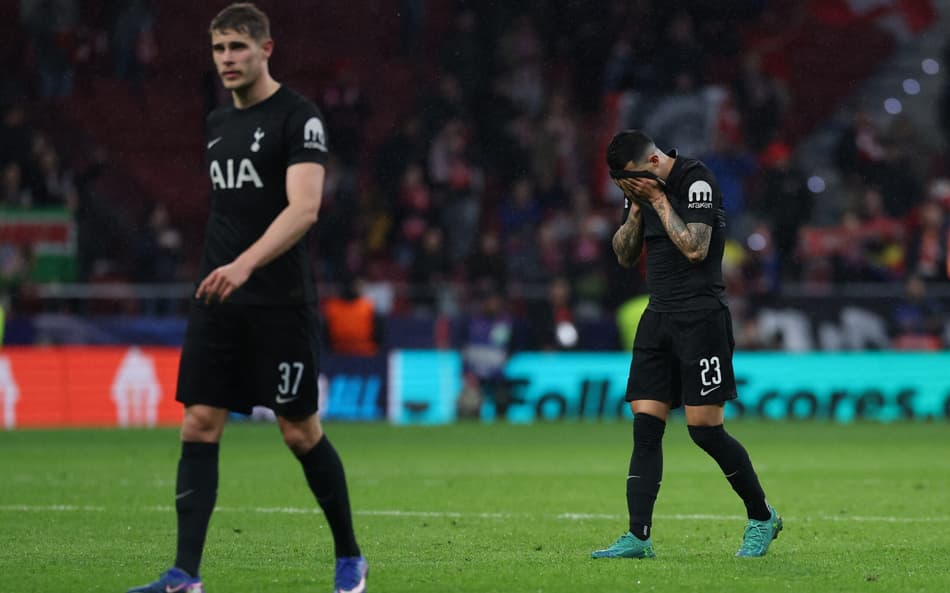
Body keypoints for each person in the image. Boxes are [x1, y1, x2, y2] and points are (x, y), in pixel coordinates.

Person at [127, 5, 367, 593]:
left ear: (266, 49)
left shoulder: (298, 117)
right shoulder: (215, 123)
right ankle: (185, 574)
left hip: (279, 300)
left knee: (298, 430)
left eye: (238, 47)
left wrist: (244, 264)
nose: (227, 59)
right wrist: (224, 269)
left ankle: (350, 558)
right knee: (199, 422)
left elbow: (304, 209)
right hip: (220, 296)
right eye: (218, 50)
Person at [591, 130, 781, 560]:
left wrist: (657, 201)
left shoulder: (697, 182)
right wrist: (637, 209)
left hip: (701, 318)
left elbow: (696, 248)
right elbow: (623, 254)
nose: (630, 188)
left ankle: (762, 516)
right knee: (645, 427)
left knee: (704, 430)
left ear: (653, 162)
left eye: (633, 180)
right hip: (657, 316)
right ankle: (638, 538)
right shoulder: (639, 190)